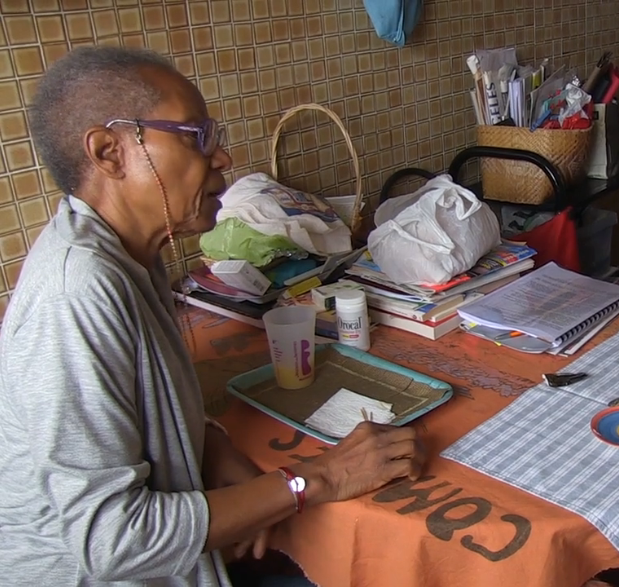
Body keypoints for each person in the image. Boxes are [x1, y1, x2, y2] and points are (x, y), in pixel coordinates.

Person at [0, 46, 426, 586]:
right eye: (194, 136)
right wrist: (317, 477)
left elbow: (134, 403)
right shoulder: (77, 293)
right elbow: (112, 541)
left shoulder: (130, 253)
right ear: (110, 152)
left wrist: (213, 445)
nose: (221, 158)